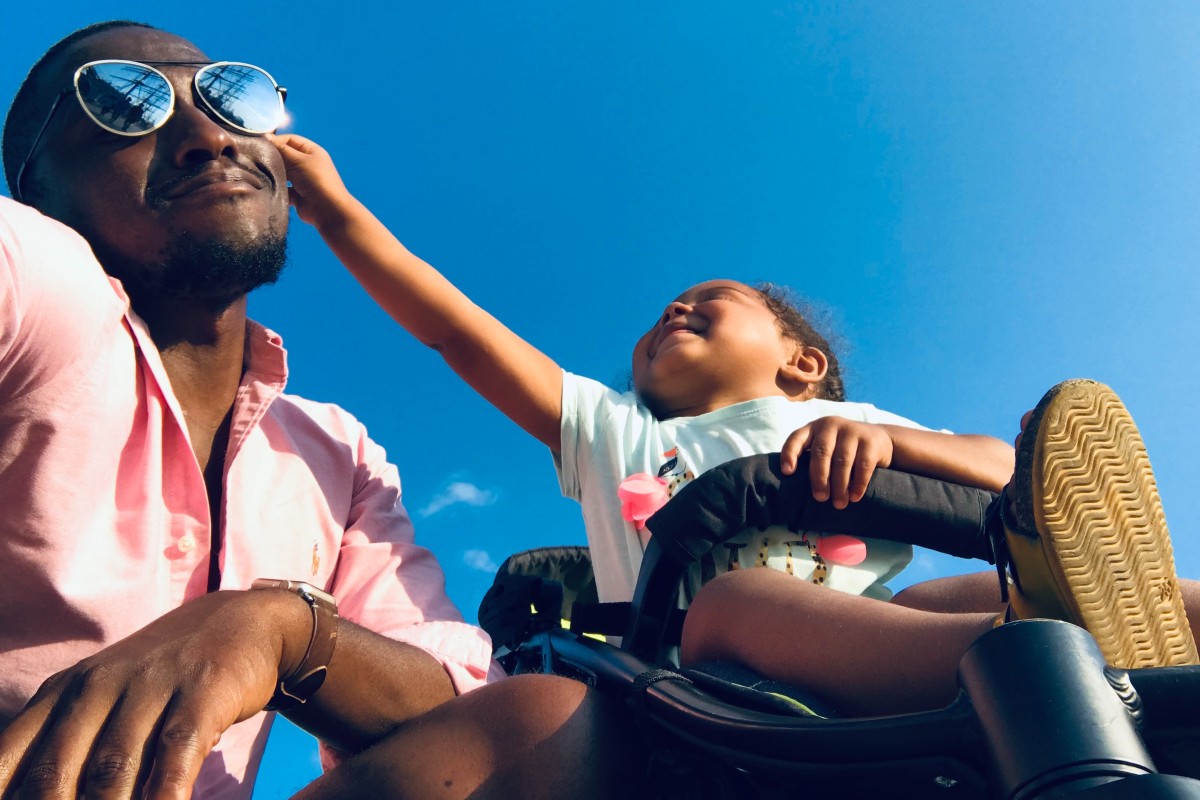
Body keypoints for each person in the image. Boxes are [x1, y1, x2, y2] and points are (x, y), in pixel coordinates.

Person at [0, 21, 506, 799]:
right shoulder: (36, 283)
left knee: (549, 725)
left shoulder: (336, 451)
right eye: (121, 106)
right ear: (36, 191)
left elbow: (456, 698)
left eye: (230, 100)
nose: (207, 136)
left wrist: (279, 631)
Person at [272, 134, 1015, 614]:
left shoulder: (845, 426)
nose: (673, 308)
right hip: (701, 673)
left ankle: (1066, 639)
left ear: (803, 364)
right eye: (665, 311)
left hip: (872, 637)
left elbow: (1004, 467)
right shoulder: (613, 428)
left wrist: (894, 447)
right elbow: (457, 332)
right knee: (743, 608)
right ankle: (1011, 658)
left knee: (989, 592)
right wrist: (338, 214)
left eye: (711, 302)